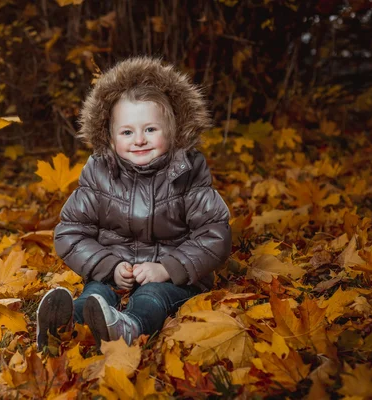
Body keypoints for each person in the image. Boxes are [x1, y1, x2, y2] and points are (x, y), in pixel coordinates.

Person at [36, 56, 232, 350]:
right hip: (115, 270)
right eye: (127, 132)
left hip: (175, 278)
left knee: (151, 297)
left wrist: (168, 268)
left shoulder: (187, 172)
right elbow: (71, 231)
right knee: (96, 295)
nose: (139, 139)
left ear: (174, 131)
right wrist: (109, 266)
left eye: (151, 129)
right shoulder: (100, 173)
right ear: (110, 138)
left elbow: (214, 233)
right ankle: (63, 327)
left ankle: (130, 327)